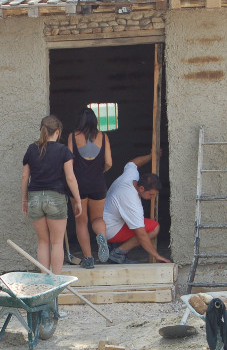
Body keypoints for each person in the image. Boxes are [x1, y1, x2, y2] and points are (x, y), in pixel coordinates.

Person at [21, 115, 83, 275]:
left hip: (35, 198)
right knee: (57, 243)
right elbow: (70, 177)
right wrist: (77, 200)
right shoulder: (63, 151)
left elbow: (24, 177)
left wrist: (24, 199)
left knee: (43, 242)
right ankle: (56, 282)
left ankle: (44, 280)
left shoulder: (31, 149)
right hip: (55, 198)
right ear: (57, 131)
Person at [103, 154, 171, 264]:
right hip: (109, 229)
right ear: (142, 188)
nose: (153, 198)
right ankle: (118, 253)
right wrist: (157, 256)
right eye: (151, 194)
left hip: (107, 219)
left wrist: (152, 155)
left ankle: (113, 246)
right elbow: (142, 235)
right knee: (154, 228)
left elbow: (133, 163)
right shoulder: (131, 200)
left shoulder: (131, 176)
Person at [67, 107, 112, 269]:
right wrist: (98, 172)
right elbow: (108, 162)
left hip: (78, 185)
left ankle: (88, 259)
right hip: (98, 183)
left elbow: (69, 163)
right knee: (97, 218)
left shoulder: (72, 137)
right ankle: (100, 235)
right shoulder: (104, 137)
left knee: (81, 221)